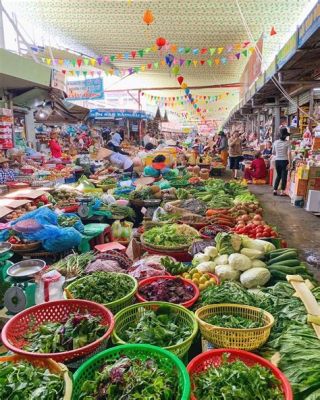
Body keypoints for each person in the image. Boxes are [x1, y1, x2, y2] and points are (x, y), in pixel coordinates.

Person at [272, 127, 291, 196]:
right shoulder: (288, 143)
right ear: (286, 135)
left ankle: (275, 190)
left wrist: (278, 154)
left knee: (278, 175)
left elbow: (273, 152)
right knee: (284, 177)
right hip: (284, 161)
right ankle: (282, 192)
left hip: (277, 161)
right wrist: (290, 163)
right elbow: (289, 154)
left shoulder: (275, 142)